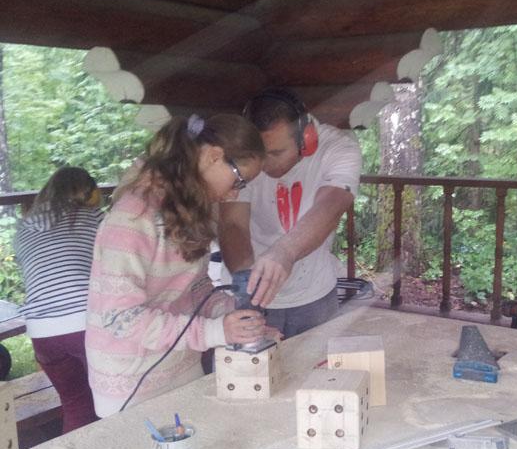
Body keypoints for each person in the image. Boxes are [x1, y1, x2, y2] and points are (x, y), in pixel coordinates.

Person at [85, 114, 274, 416]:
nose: (235, 192)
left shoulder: (189, 211)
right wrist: (215, 332)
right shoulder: (132, 217)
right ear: (214, 157)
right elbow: (121, 318)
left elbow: (196, 289)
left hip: (180, 366)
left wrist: (234, 315)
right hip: (128, 381)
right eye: (239, 179)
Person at [218, 87, 362, 338]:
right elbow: (233, 224)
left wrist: (284, 252)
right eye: (260, 154)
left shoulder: (338, 148)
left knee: (318, 363)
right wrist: (247, 285)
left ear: (307, 138)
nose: (266, 164)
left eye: (276, 153)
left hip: (314, 293)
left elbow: (331, 204)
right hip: (250, 293)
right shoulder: (241, 152)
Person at [14, 166, 102, 433]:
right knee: (109, 398)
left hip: (42, 331)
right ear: (89, 193)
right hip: (85, 321)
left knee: (75, 404)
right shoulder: (94, 218)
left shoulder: (23, 228)